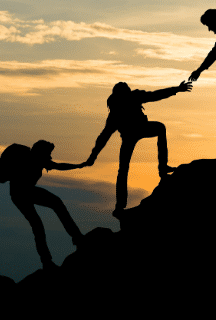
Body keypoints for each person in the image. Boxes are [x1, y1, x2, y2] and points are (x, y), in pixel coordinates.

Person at [82, 81, 192, 218]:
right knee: (123, 169)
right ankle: (121, 205)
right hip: (131, 134)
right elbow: (103, 137)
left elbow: (155, 95)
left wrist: (177, 89)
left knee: (124, 168)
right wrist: (93, 156)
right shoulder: (117, 109)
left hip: (137, 130)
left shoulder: (129, 100)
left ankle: (162, 169)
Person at [5, 140, 84, 269]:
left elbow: (58, 166)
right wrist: (80, 165)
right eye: (49, 153)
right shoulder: (33, 159)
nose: (50, 156)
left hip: (25, 193)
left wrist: (79, 166)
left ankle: (75, 239)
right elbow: (58, 166)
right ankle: (49, 259)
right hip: (21, 194)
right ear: (41, 152)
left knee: (50, 210)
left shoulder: (39, 159)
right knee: (39, 223)